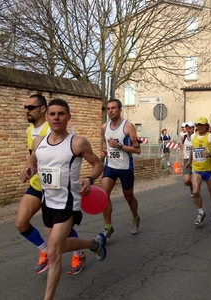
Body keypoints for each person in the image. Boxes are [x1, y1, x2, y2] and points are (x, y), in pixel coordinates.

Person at [20, 98, 106, 300]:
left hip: (68, 203)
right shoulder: (39, 141)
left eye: (61, 114)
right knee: (59, 246)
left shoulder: (77, 142)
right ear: (47, 116)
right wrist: (28, 170)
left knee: (53, 253)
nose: (56, 117)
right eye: (52, 114)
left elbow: (98, 164)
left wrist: (89, 178)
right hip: (47, 202)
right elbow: (32, 163)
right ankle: (93, 244)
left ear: (68, 117)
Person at [16, 94, 53, 274]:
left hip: (54, 186)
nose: (26, 111)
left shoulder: (51, 128)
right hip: (38, 184)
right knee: (21, 223)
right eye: (25, 107)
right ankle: (45, 252)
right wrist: (28, 170)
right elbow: (34, 159)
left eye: (30, 107)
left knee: (58, 231)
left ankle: (78, 253)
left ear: (43, 109)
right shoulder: (29, 132)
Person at [101, 99, 142, 238]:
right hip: (110, 166)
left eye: (113, 108)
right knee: (103, 196)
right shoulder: (104, 127)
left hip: (125, 167)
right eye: (108, 108)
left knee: (128, 196)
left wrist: (119, 146)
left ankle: (135, 218)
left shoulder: (128, 126)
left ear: (120, 110)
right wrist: (105, 151)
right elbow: (105, 143)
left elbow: (137, 150)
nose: (111, 111)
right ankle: (108, 227)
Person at [185, 116, 211, 227]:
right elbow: (193, 150)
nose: (199, 127)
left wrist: (209, 155)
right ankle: (200, 212)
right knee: (195, 192)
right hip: (197, 169)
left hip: (209, 169)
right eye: (198, 125)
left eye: (201, 125)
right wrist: (190, 161)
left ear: (206, 126)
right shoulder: (194, 136)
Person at [180, 122, 195, 197]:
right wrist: (182, 157)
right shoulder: (184, 137)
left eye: (190, 128)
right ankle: (192, 187)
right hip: (186, 160)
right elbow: (182, 148)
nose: (189, 130)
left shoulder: (196, 137)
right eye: (187, 128)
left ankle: (196, 192)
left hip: (195, 161)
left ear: (194, 128)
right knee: (186, 180)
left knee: (196, 179)